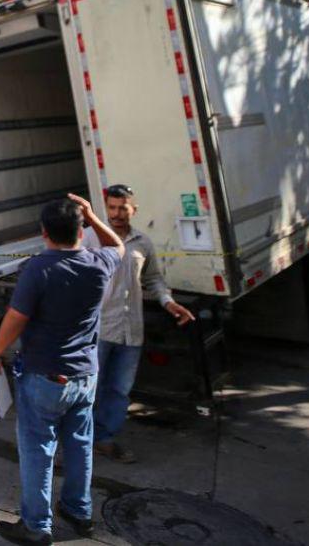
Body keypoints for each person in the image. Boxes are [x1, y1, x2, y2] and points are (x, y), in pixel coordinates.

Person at [0, 194, 125, 545]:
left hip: (45, 375)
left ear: (43, 232)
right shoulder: (99, 263)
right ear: (81, 230)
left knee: (37, 449)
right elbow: (118, 244)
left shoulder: (39, 268)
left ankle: (36, 525)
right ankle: (79, 513)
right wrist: (93, 216)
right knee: (80, 445)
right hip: (85, 376)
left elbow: (17, 318)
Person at [92, 184, 195, 463]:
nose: (116, 214)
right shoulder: (93, 239)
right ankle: (75, 445)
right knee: (88, 390)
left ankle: (104, 439)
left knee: (119, 391)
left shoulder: (143, 243)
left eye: (122, 208)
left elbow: (153, 280)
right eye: (111, 207)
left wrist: (167, 301)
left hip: (130, 332)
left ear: (132, 210)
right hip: (98, 329)